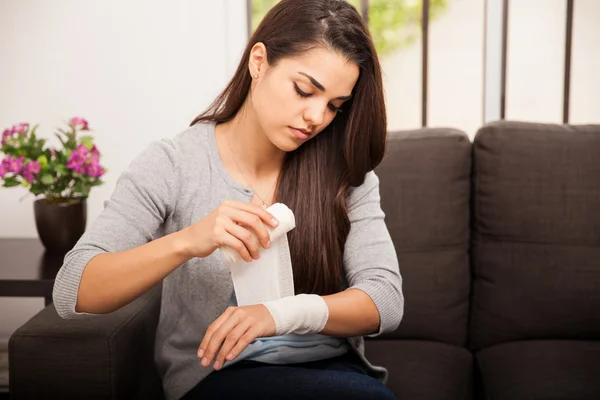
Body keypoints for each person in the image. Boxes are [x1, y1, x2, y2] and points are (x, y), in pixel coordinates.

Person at [53, 0, 404, 399]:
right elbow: (74, 289)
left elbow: (385, 300)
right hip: (220, 376)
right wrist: (188, 241)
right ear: (259, 62)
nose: (316, 117)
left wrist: (277, 315)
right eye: (304, 90)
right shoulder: (174, 164)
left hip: (334, 372)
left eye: (334, 107)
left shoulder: (346, 171)